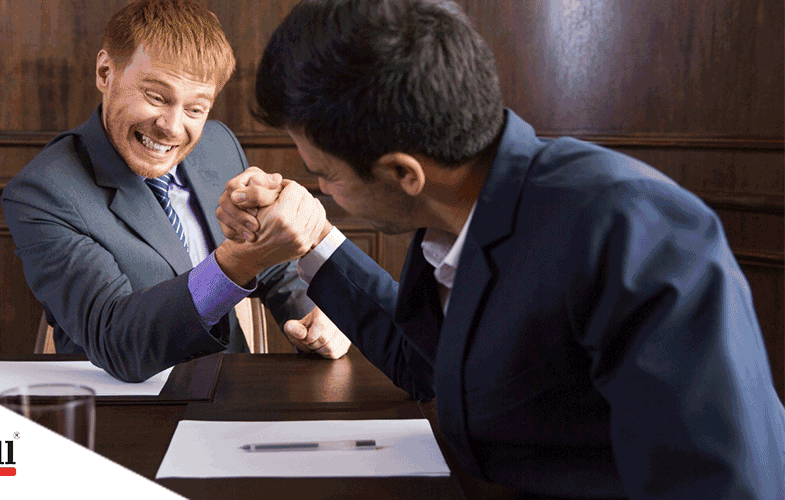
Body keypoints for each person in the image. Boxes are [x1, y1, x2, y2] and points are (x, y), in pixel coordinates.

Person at [217, 0, 785, 498]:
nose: (319, 190)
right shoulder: (461, 205)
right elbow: (434, 365)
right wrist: (312, 239)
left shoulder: (635, 230)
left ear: (402, 173)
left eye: (324, 175)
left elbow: (724, 484)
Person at [1, 0, 349, 383]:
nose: (172, 127)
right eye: (156, 97)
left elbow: (276, 268)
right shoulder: (42, 193)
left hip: (230, 397)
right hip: (123, 417)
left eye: (196, 109)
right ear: (105, 72)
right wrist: (237, 262)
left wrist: (315, 316)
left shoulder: (217, 144)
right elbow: (116, 340)